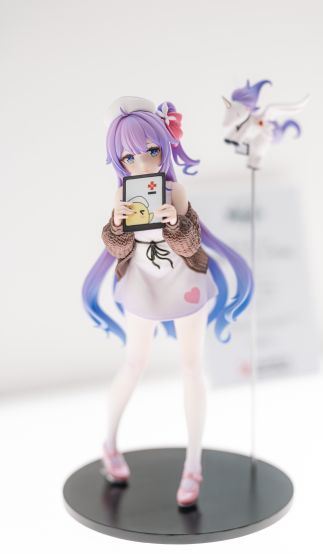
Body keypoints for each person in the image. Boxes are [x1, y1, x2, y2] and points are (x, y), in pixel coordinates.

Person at [82, 96, 253, 508]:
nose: (142, 164)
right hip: (142, 284)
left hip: (183, 281)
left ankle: (193, 464)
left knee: (192, 368)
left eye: (151, 151)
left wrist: (176, 221)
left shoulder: (175, 189)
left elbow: (190, 244)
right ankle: (109, 444)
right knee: (133, 364)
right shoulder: (122, 194)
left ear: (165, 146)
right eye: (129, 157)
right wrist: (117, 225)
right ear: (119, 160)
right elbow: (117, 249)